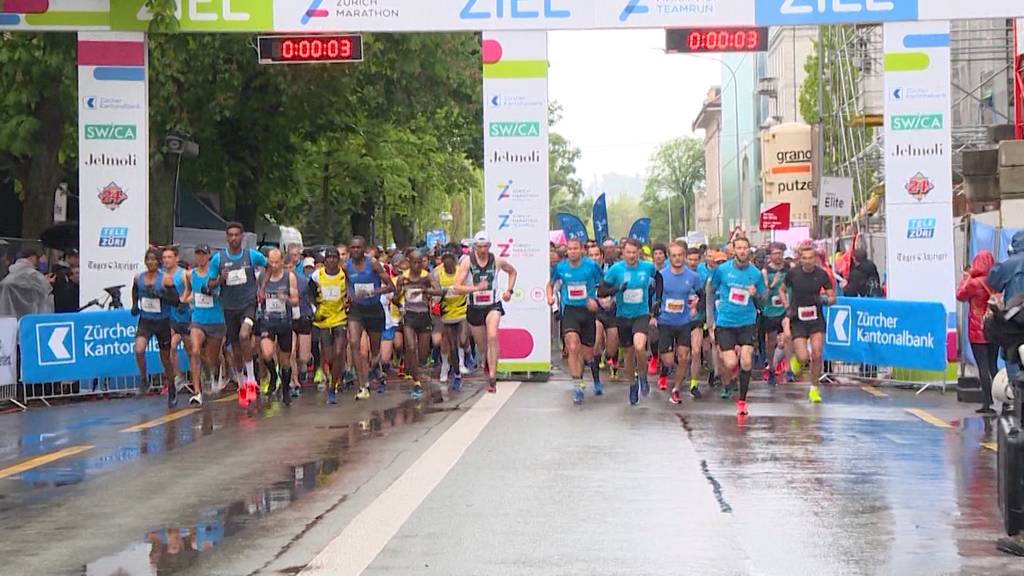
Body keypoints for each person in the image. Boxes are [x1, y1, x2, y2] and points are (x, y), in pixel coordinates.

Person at [707, 236, 765, 416]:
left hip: (747, 322)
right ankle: (735, 368)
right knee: (731, 362)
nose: (742, 251)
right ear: (733, 250)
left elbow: (763, 301)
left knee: (746, 360)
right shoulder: (722, 270)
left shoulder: (755, 274)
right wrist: (710, 321)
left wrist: (756, 295)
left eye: (745, 248)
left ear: (749, 250)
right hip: (725, 323)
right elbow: (710, 290)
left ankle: (742, 401)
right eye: (738, 248)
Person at [454, 232, 518, 394]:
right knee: (483, 348)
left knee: (492, 336)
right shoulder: (467, 263)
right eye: (479, 247)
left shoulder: (496, 261)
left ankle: (492, 378)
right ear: (474, 247)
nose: (482, 250)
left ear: (489, 246)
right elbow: (457, 287)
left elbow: (512, 272)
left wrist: (509, 291)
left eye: (485, 246)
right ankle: (488, 363)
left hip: (492, 305)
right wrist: (475, 288)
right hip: (474, 308)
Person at [210, 223, 268, 399]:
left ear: (242, 236)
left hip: (248, 304)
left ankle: (251, 377)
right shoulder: (218, 259)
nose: (234, 238)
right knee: (235, 348)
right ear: (227, 238)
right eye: (231, 235)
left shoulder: (251, 255)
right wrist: (221, 279)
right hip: (229, 307)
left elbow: (269, 267)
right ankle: (242, 380)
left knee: (245, 336)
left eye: (237, 235)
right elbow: (210, 284)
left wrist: (262, 288)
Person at [598, 239, 657, 406]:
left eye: (634, 252)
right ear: (622, 253)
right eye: (628, 252)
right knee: (629, 354)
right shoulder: (616, 270)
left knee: (640, 347)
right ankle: (632, 384)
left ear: (639, 252)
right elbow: (601, 291)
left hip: (641, 314)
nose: (632, 256)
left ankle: (643, 377)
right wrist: (617, 290)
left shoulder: (647, 267)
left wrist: (657, 300)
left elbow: (659, 279)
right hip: (623, 317)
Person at [547, 238, 604, 404]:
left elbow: (603, 285)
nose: (572, 251)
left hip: (587, 311)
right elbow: (550, 284)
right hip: (570, 310)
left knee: (588, 353)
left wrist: (598, 301)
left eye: (575, 248)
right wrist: (549, 297)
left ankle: (595, 379)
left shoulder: (591, 266)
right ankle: (577, 386)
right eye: (569, 249)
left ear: (582, 250)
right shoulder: (561, 267)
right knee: (572, 347)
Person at [781, 246, 836, 404]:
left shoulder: (821, 274)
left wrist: (825, 300)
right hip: (798, 320)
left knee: (817, 353)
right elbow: (782, 290)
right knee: (803, 357)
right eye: (804, 258)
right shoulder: (793, 273)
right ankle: (797, 361)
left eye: (810, 258)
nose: (807, 261)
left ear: (815, 259)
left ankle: (814, 389)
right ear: (800, 259)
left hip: (816, 319)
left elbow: (832, 296)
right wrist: (786, 305)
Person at [345, 236, 396, 400]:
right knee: (354, 343)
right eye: (352, 248)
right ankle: (362, 385)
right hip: (356, 310)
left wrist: (374, 291)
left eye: (358, 248)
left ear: (364, 249)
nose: (355, 251)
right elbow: (346, 283)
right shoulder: (346, 266)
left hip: (374, 310)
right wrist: (350, 294)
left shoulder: (373, 263)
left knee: (375, 352)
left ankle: (376, 368)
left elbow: (391, 286)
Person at [654, 242, 703, 404]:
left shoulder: (692, 277)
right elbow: (653, 295)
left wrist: (696, 305)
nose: (677, 258)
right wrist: (653, 314)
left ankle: (676, 389)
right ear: (669, 257)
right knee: (668, 360)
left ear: (684, 256)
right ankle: (670, 369)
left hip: (684, 322)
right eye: (674, 255)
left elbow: (701, 294)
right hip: (665, 322)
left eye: (680, 255)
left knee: (683, 358)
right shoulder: (661, 275)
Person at [131, 249, 176, 407]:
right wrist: (134, 305)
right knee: (138, 349)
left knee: (165, 359)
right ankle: (144, 379)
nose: (150, 262)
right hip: (146, 320)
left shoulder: (165, 279)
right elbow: (135, 291)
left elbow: (176, 300)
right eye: (148, 259)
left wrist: (161, 295)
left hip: (162, 322)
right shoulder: (139, 278)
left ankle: (171, 387)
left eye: (153, 260)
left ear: (158, 262)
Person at [958, 250, 998, 415]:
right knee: (993, 367)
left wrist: (966, 277)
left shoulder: (973, 283)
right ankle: (1003, 400)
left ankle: (987, 403)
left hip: (978, 329)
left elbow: (960, 295)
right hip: (994, 328)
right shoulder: (995, 280)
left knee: (982, 367)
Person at [396, 250, 440, 401]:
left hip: (424, 317)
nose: (416, 265)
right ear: (409, 262)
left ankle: (418, 369)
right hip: (409, 316)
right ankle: (416, 382)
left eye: (419, 262)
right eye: (413, 262)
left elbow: (439, 291)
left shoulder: (426, 276)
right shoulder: (403, 278)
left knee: (422, 353)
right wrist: (400, 292)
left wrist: (426, 290)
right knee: (411, 347)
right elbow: (395, 298)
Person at [257, 249, 299, 405]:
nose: (273, 265)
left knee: (285, 360)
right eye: (271, 262)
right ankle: (273, 376)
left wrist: (286, 298)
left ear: (282, 261)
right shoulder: (262, 277)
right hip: (267, 321)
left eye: (276, 262)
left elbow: (295, 300)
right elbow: (257, 296)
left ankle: (286, 390)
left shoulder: (290, 277)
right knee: (267, 353)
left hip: (284, 323)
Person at [186, 245, 224, 407]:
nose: (200, 257)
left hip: (216, 320)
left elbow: (223, 294)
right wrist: (185, 300)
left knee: (211, 359)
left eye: (203, 254)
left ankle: (214, 374)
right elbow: (189, 293)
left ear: (209, 256)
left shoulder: (215, 274)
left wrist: (213, 293)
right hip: (198, 320)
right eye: (198, 254)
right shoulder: (190, 274)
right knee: (194, 351)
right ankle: (196, 392)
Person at [310, 247, 348, 404]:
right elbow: (309, 294)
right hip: (323, 320)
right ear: (324, 260)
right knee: (329, 356)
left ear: (338, 260)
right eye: (329, 258)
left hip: (340, 318)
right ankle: (335, 372)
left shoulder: (344, 275)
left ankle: (333, 387)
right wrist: (315, 310)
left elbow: (350, 291)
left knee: (339, 352)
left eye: (334, 257)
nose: (331, 260)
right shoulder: (317, 275)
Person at [433, 246, 469, 392]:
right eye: (445, 260)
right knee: (451, 346)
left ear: (455, 261)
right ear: (442, 261)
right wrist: (441, 294)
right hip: (447, 313)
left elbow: (469, 288)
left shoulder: (463, 271)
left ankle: (465, 356)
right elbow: (435, 296)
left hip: (462, 311)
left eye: (450, 259)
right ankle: (455, 372)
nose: (448, 263)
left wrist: (461, 290)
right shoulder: (437, 273)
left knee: (462, 339)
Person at [161, 246, 191, 395]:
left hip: (186, 316)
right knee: (171, 347)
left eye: (169, 257)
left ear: (176, 259)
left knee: (192, 350)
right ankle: (178, 377)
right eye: (164, 258)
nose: (166, 260)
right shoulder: (160, 275)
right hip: (170, 317)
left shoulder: (183, 274)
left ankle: (204, 376)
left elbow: (190, 289)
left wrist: (183, 300)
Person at [761, 243, 788, 387]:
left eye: (780, 253)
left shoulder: (788, 269)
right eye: (775, 253)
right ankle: (770, 367)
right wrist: (773, 284)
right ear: (770, 255)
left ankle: (786, 368)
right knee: (771, 342)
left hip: (785, 309)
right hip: (770, 311)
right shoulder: (766, 271)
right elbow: (764, 294)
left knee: (786, 337)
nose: (778, 256)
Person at [0, 245, 53, 318]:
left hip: (10, 316)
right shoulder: (33, 274)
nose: (38, 261)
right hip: (30, 317)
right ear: (32, 257)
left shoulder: (10, 274)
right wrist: (46, 282)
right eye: (37, 258)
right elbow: (45, 291)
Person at [291, 257, 317, 396]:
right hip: (289, 320)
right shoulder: (277, 281)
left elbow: (312, 297)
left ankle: (308, 361)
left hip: (304, 317)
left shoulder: (303, 281)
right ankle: (294, 382)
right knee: (291, 351)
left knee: (303, 357)